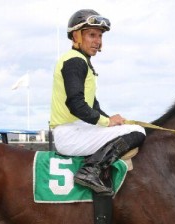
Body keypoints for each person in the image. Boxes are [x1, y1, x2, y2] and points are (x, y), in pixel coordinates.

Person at [50, 9, 145, 195]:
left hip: (78, 129)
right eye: (92, 35)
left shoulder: (82, 62)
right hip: (70, 133)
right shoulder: (75, 61)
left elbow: (93, 107)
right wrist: (107, 122)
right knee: (138, 132)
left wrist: (111, 121)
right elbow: (76, 104)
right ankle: (90, 170)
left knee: (130, 129)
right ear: (76, 35)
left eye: (100, 36)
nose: (98, 41)